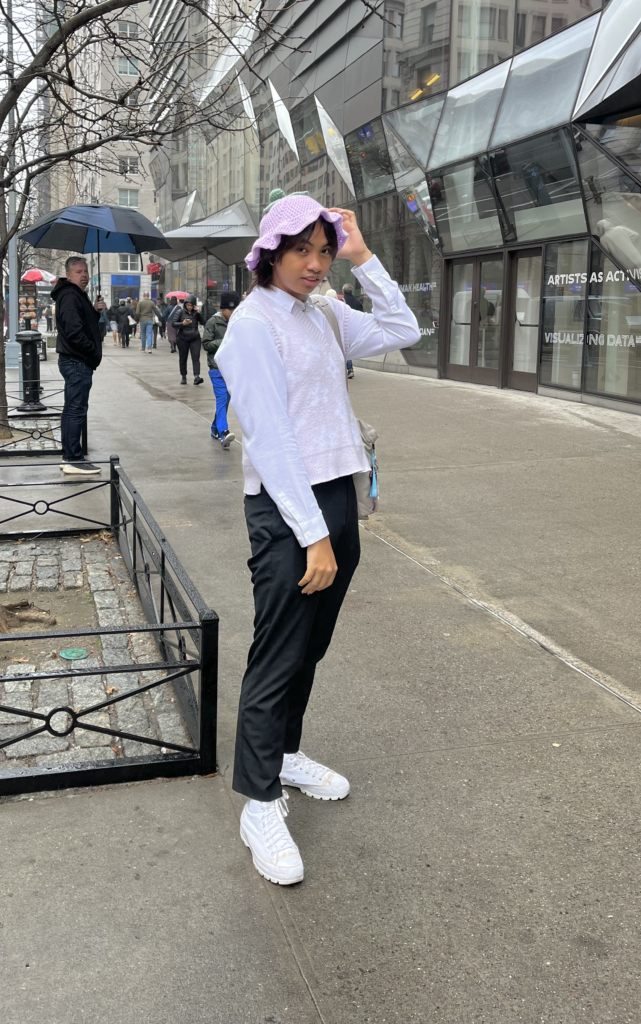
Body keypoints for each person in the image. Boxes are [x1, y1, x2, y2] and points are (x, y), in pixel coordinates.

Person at [215, 195, 420, 885]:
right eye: (301, 249)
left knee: (311, 645)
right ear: (269, 252)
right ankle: (258, 800)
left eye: (323, 251)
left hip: (335, 494)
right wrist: (312, 537)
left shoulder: (325, 314)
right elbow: (269, 441)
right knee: (278, 651)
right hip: (287, 507)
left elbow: (403, 326)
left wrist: (364, 257)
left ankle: (286, 754)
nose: (314, 263)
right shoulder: (252, 326)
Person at [51, 256, 106, 475]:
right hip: (77, 361)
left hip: (76, 360)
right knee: (76, 409)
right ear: (68, 275)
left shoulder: (75, 296)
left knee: (72, 409)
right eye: (79, 272)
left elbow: (83, 323)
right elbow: (74, 331)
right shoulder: (70, 296)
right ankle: (73, 458)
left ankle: (70, 455)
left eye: (86, 272)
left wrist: (95, 311)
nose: (84, 275)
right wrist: (91, 350)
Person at [202, 291, 240, 448]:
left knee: (225, 401)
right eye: (230, 310)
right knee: (222, 399)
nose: (232, 313)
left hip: (232, 369)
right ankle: (224, 432)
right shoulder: (213, 323)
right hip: (217, 368)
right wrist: (224, 341)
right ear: (223, 309)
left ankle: (214, 429)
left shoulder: (237, 322)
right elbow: (206, 344)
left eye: (235, 310)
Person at [175, 294, 206, 385]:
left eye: (191, 305)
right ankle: (183, 376)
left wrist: (199, 313)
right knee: (183, 358)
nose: (189, 307)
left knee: (196, 357)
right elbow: (174, 324)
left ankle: (196, 376)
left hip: (195, 338)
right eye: (187, 305)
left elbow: (204, 322)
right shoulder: (180, 312)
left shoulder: (196, 313)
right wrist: (182, 324)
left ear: (194, 305)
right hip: (183, 338)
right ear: (185, 305)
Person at [342, 283, 364, 378]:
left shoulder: (341, 303)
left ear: (343, 292)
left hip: (344, 328)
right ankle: (349, 369)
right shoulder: (357, 302)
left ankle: (349, 369)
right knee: (348, 349)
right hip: (355, 329)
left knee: (344, 349)